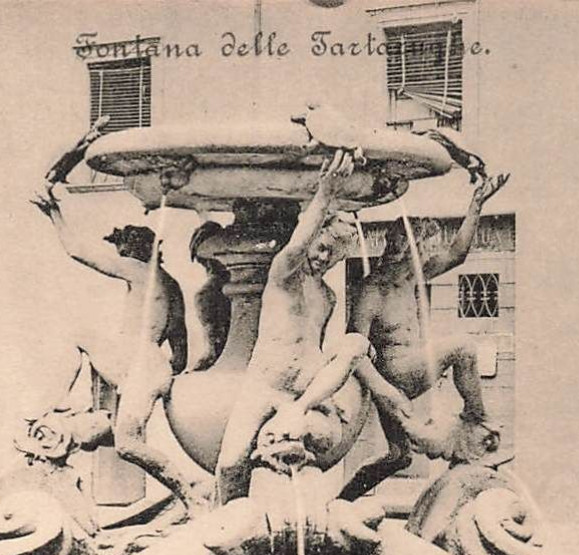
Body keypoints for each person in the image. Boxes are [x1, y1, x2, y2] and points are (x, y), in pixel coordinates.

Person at [31, 120, 213, 512]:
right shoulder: (172, 285)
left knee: (82, 339)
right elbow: (179, 348)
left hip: (133, 365)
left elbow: (79, 251)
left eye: (123, 248)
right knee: (127, 440)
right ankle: (187, 489)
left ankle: (51, 407)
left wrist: (54, 215)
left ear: (134, 250)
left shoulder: (137, 271)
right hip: (154, 368)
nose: (121, 254)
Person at [214, 151, 399, 502]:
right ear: (315, 238)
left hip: (304, 391)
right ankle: (228, 523)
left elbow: (316, 344)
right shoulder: (285, 273)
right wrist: (325, 193)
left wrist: (344, 360)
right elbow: (298, 242)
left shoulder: (327, 296)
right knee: (230, 463)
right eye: (323, 247)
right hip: (267, 385)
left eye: (334, 256)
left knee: (355, 343)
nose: (323, 257)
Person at [338, 170, 511, 501]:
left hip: (413, 371)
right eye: (394, 243)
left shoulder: (411, 277)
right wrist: (386, 392)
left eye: (406, 246)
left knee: (398, 457)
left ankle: (340, 502)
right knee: (462, 347)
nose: (397, 251)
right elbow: (353, 350)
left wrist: (476, 204)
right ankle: (477, 418)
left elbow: (457, 254)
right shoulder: (372, 289)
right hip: (392, 374)